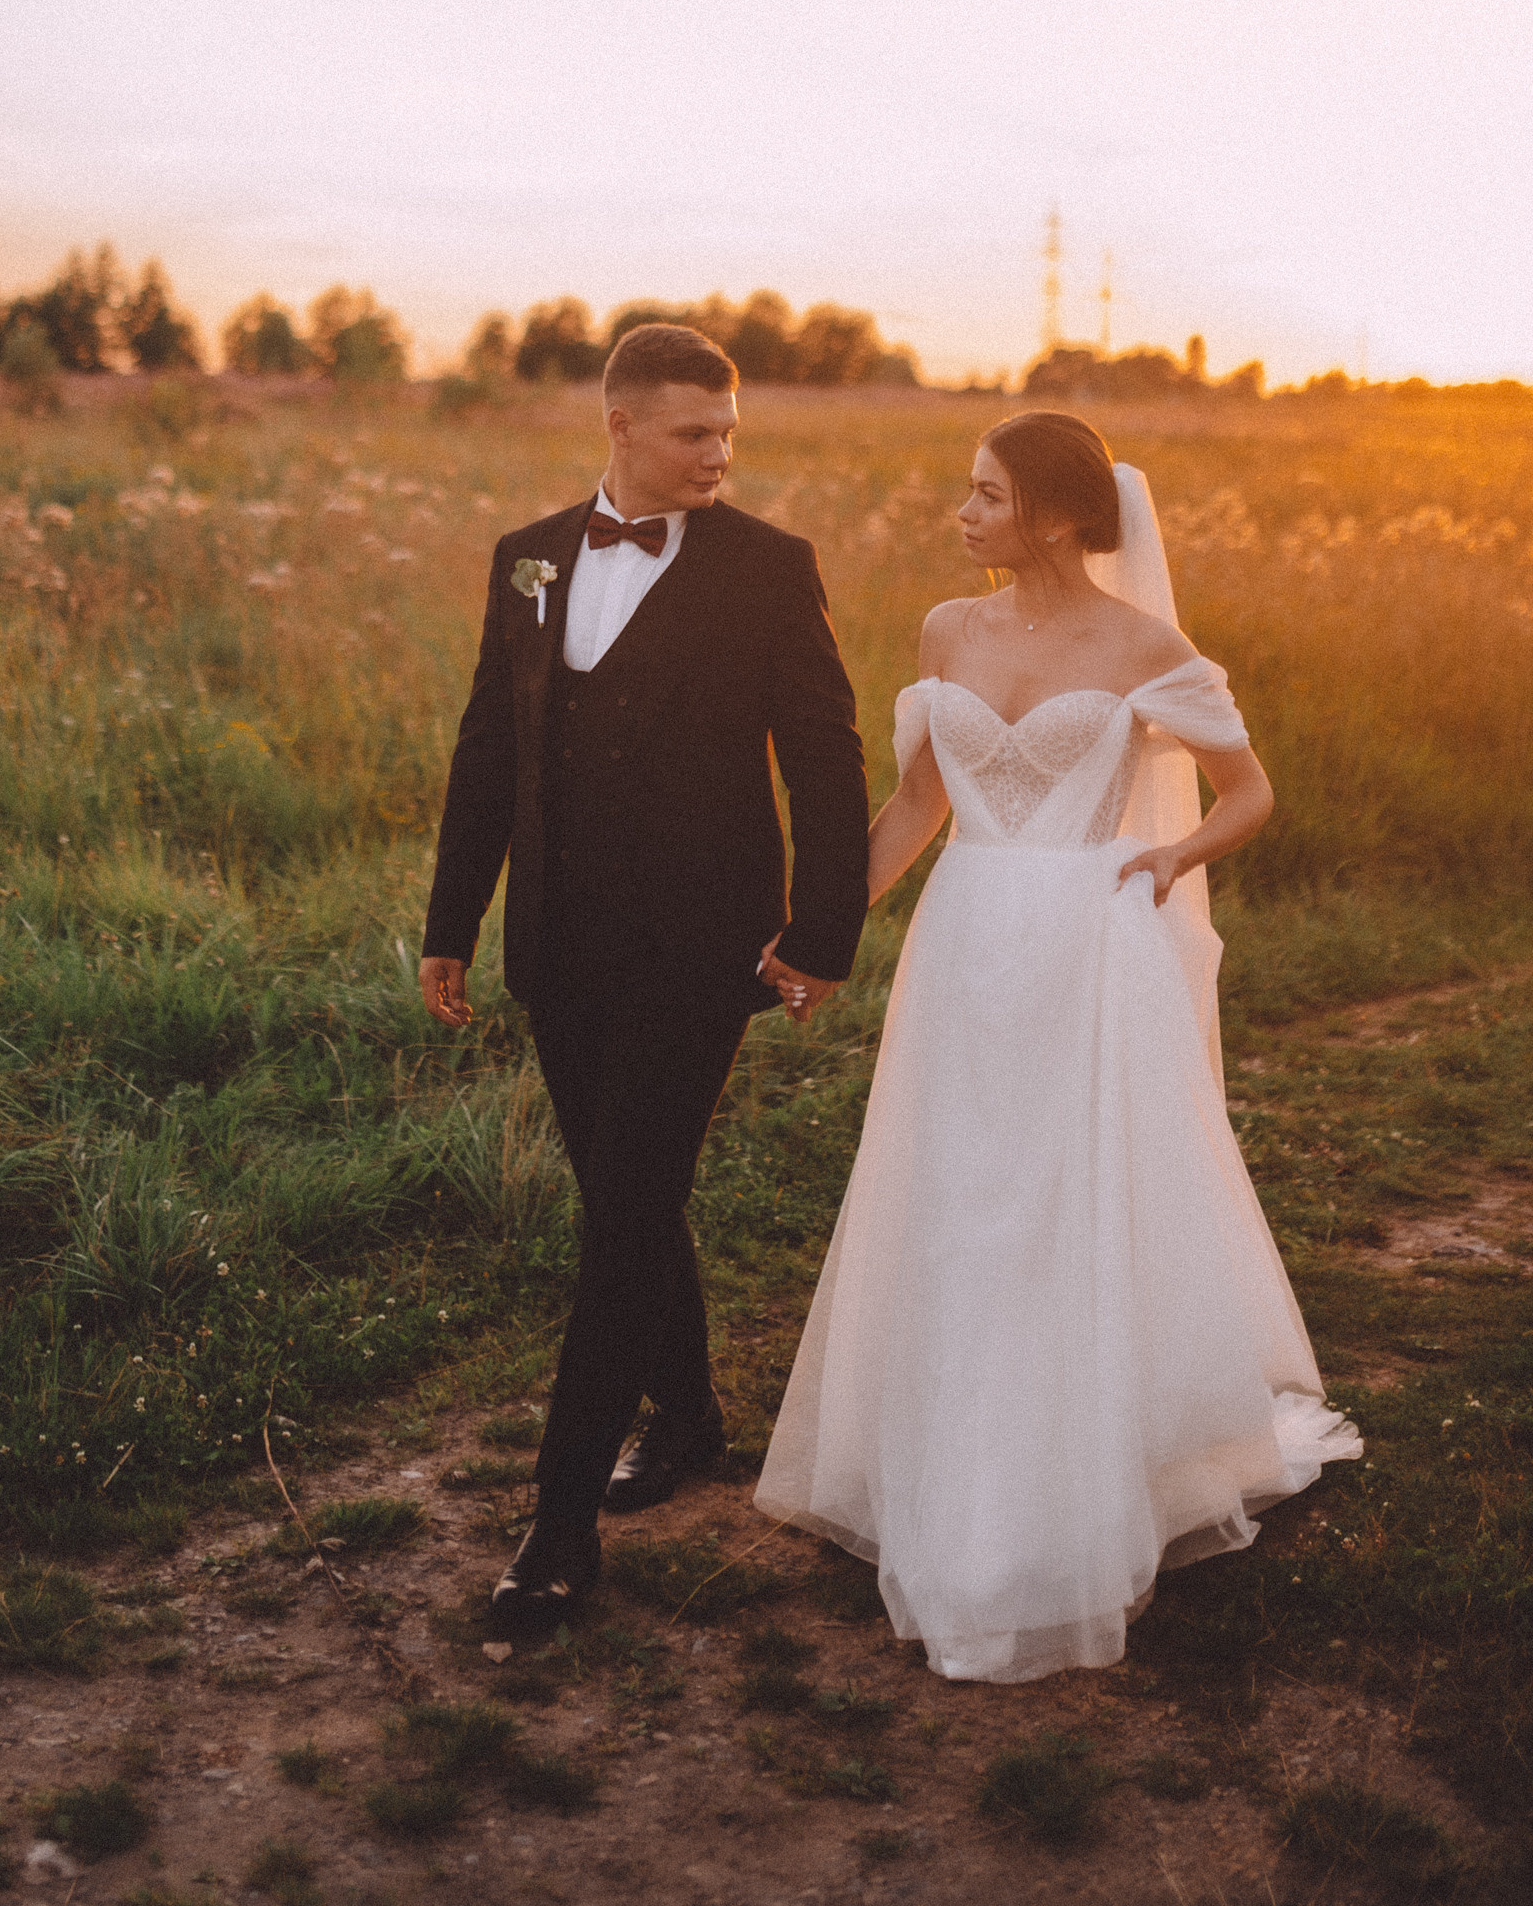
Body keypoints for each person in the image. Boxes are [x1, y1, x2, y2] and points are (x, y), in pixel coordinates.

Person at [756, 411, 1361, 1683]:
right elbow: (920, 802)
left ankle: (1072, 1488)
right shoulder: (947, 631)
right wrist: (821, 936)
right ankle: (956, 1463)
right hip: (968, 943)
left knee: (1066, 1203)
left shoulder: (1146, 644)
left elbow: (1247, 790)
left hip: (1092, 944)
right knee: (964, 1201)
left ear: (1058, 515)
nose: (959, 515)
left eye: (984, 496)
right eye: (964, 492)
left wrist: (1175, 853)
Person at [420, 322, 870, 1638]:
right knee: (632, 1188)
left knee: (618, 1220)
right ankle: (690, 1416)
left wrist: (823, 932)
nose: (719, 455)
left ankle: (559, 1531)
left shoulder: (769, 571)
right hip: (559, 949)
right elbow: (489, 751)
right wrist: (454, 921)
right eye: (693, 434)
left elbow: (830, 760)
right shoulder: (530, 563)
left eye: (730, 434)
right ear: (620, 427)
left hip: (697, 948)